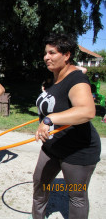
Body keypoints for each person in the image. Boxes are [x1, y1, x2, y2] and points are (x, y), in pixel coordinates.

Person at [32, 33, 101, 219]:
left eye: (52, 53)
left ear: (66, 54)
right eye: (46, 53)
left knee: (77, 196)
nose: (46, 57)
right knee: (40, 183)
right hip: (53, 146)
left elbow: (87, 111)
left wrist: (49, 119)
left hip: (78, 150)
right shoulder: (56, 78)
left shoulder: (76, 79)